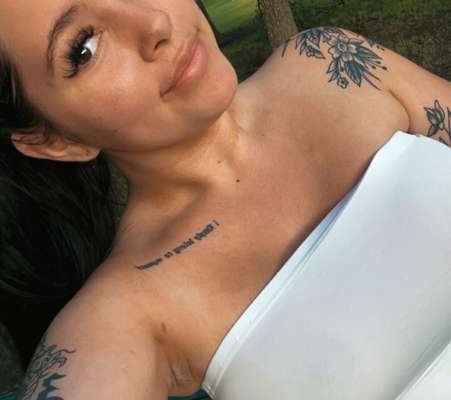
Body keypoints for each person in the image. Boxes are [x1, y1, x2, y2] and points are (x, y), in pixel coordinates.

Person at [1, 1, 450, 399]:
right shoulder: (127, 311)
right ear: (53, 141)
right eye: (83, 48)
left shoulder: (327, 62)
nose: (155, 22)